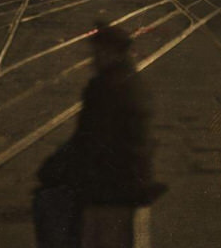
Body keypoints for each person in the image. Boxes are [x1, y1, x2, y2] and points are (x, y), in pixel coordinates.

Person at [36, 23, 164, 248]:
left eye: (98, 53)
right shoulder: (129, 80)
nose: (93, 59)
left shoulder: (107, 88)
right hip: (129, 184)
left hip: (112, 190)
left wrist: (54, 170)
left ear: (111, 53)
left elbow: (90, 142)